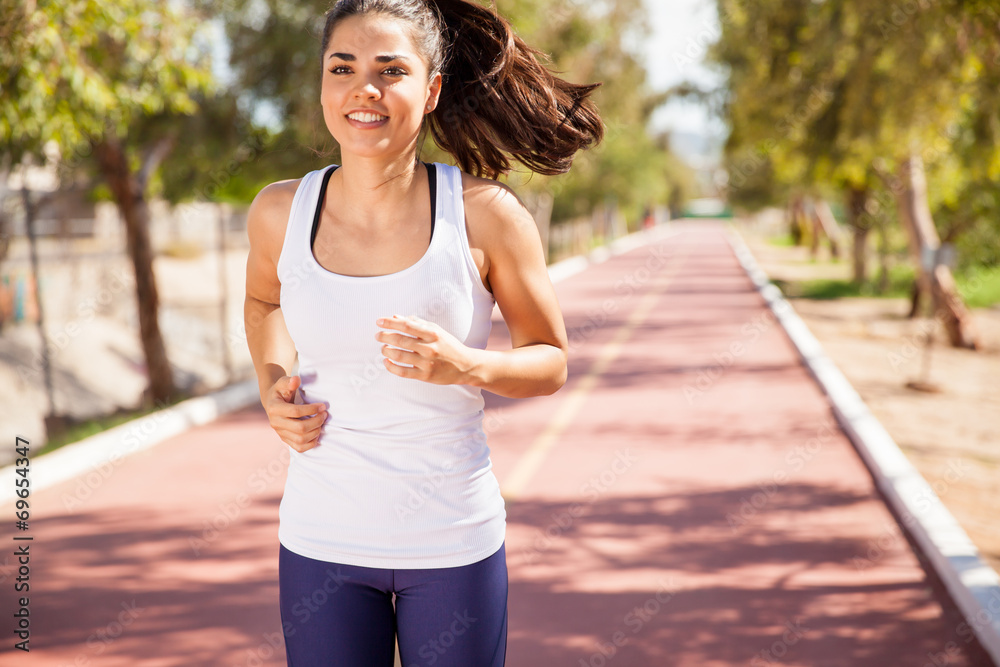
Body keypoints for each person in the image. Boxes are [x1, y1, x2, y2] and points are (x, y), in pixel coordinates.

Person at [243, 1, 603, 665]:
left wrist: (466, 365)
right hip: (321, 541)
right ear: (322, 82)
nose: (364, 89)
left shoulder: (486, 215)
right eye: (343, 67)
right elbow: (265, 299)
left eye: (391, 70)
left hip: (452, 542)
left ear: (431, 88)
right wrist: (271, 385)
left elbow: (550, 360)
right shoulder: (278, 212)